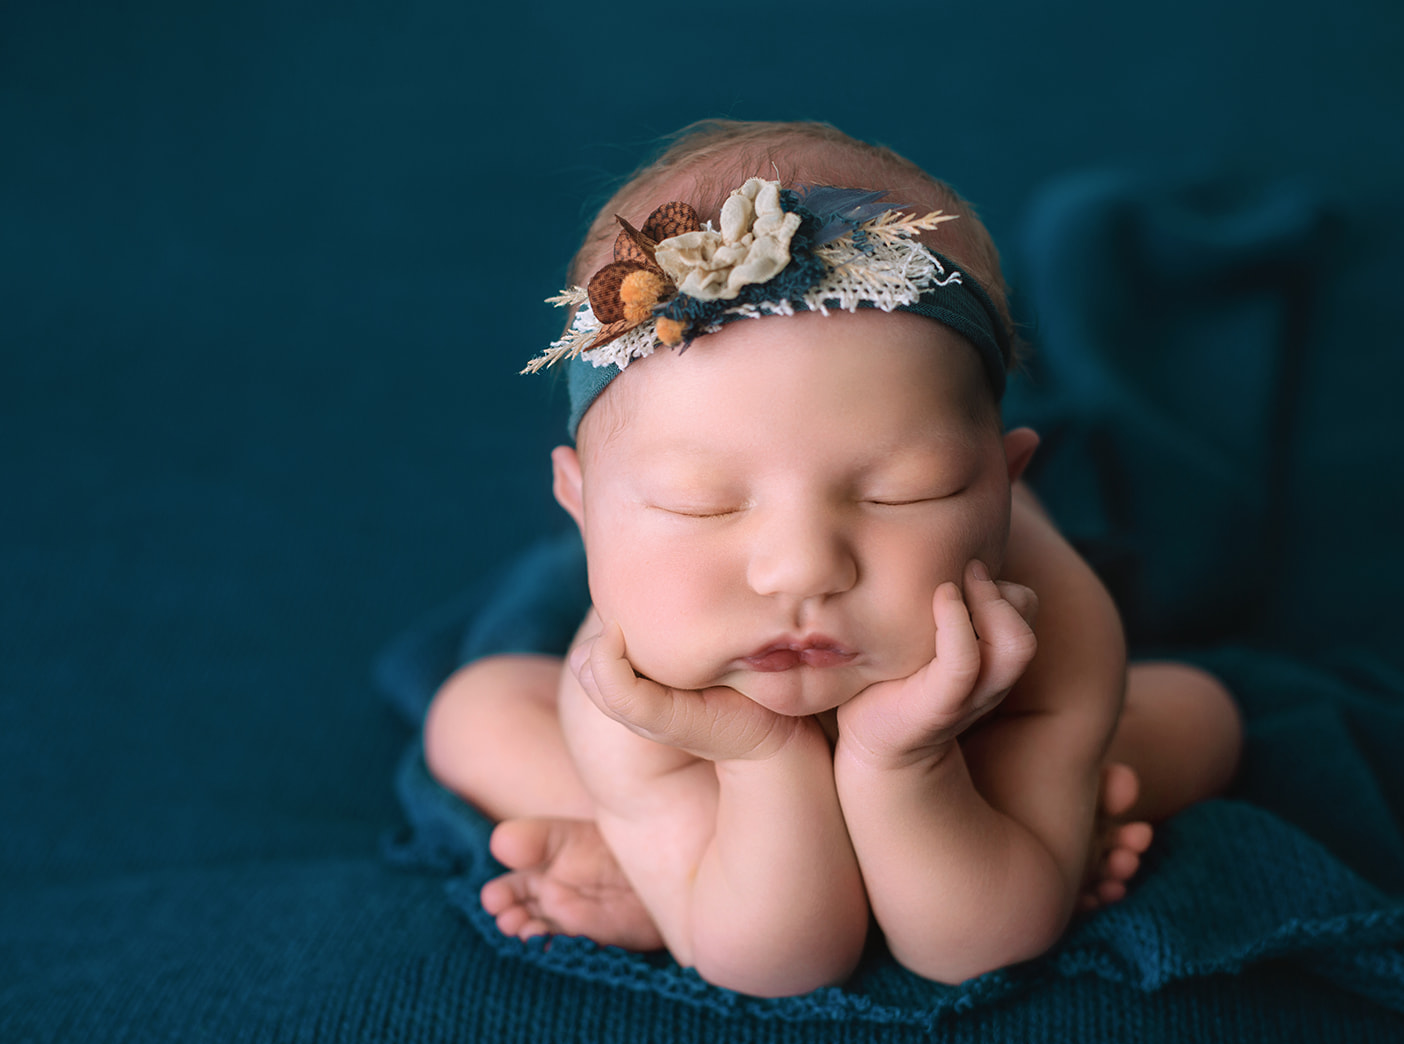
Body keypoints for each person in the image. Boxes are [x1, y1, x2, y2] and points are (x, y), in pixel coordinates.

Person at [423, 120, 1243, 997]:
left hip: (981, 741)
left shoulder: (1051, 627)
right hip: (692, 743)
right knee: (473, 713)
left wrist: (905, 760)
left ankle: (1011, 816)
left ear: (1003, 488)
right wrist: (757, 758)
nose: (800, 568)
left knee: (1205, 717)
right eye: (699, 503)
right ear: (582, 507)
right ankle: (659, 844)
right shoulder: (630, 684)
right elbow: (777, 963)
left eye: (905, 491)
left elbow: (972, 949)